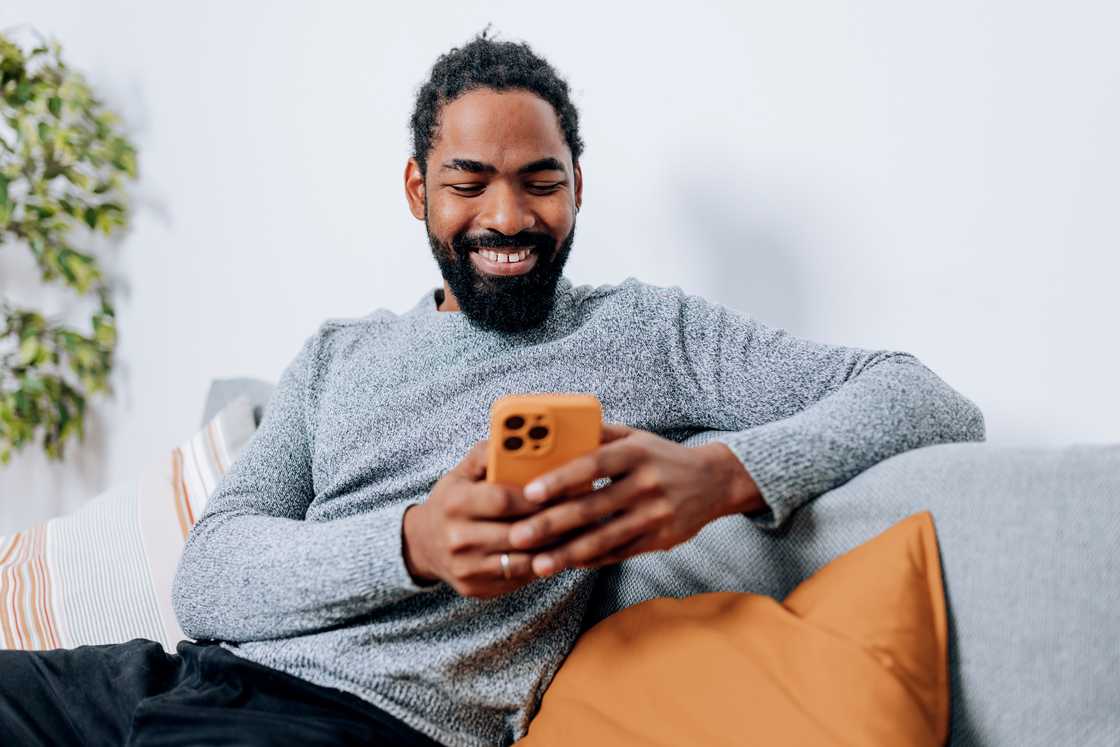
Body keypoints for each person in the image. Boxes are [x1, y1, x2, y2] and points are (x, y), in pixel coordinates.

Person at [0, 27, 984, 747]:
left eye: (539, 181)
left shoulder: (648, 332)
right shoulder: (335, 357)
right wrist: (412, 546)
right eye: (468, 182)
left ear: (577, 187)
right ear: (417, 190)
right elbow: (209, 575)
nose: (505, 217)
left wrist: (724, 475)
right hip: (170, 680)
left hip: (363, 726)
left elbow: (923, 396)